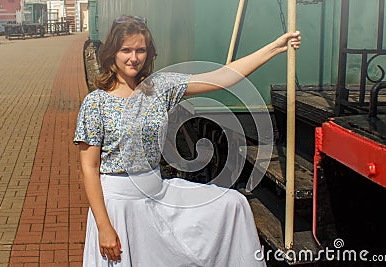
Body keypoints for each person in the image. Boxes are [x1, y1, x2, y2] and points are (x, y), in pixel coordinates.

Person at [74, 15, 301, 267]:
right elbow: (89, 168)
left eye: (140, 50)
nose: (133, 58)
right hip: (118, 206)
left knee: (232, 204)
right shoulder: (96, 103)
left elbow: (222, 77)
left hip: (156, 192)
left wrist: (275, 48)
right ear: (112, 53)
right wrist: (104, 226)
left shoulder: (159, 87)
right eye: (125, 50)